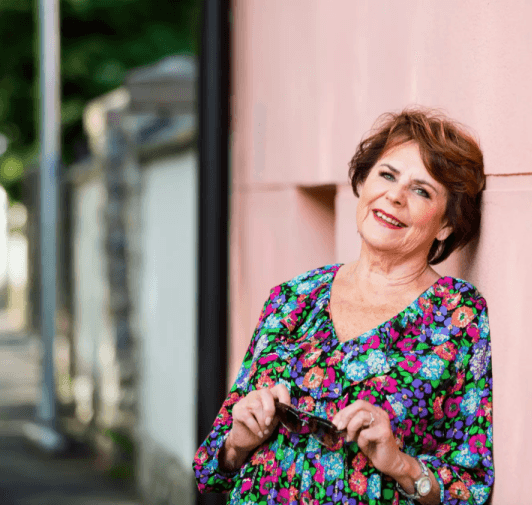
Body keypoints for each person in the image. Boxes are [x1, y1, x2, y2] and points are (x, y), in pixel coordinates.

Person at [193, 108, 493, 505]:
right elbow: (210, 468)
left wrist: (401, 464)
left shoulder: (457, 315)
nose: (395, 196)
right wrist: (238, 442)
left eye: (422, 190)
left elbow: (470, 485)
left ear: (446, 225)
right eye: (387, 175)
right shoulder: (293, 298)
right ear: (364, 183)